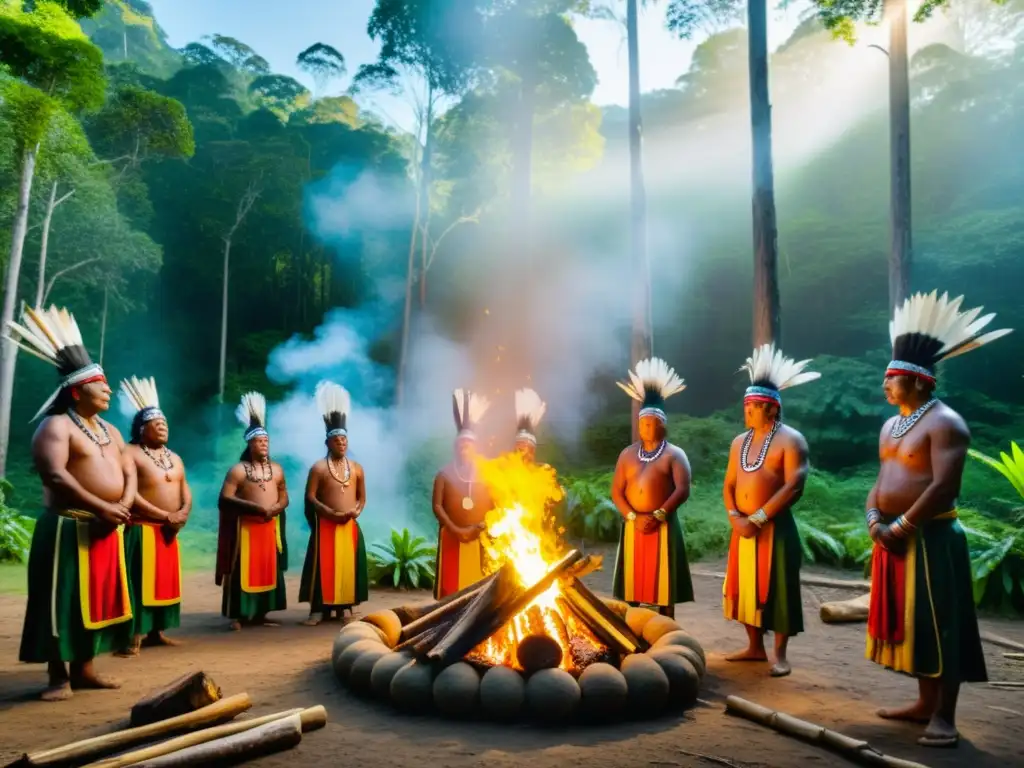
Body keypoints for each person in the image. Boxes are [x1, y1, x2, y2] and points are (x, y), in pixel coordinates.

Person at [866, 290, 1011, 748]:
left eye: (894, 379)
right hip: (893, 535)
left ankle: (944, 716)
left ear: (921, 382)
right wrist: (874, 518)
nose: (886, 386)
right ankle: (923, 704)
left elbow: (943, 487)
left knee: (940, 623)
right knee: (911, 624)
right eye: (886, 377)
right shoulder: (891, 426)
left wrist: (901, 527)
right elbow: (882, 477)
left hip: (931, 538)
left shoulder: (946, 423)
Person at [5, 306, 135, 701]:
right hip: (66, 528)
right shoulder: (56, 425)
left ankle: (85, 670)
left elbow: (129, 471)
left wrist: (123, 506)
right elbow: (55, 475)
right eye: (102, 384)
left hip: (106, 526)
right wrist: (102, 507)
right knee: (60, 601)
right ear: (78, 390)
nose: (109, 390)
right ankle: (58, 676)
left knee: (94, 602)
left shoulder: (111, 431)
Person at [722, 344, 819, 677]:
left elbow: (793, 486)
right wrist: (736, 517)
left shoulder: (792, 441)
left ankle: (780, 654)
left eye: (753, 406)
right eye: (746, 405)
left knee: (777, 588)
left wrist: (760, 517)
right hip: (743, 528)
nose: (746, 411)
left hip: (775, 529)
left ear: (772, 409)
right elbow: (729, 485)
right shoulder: (739, 442)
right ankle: (754, 647)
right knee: (745, 587)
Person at [611, 357, 693, 619]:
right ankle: (631, 626)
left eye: (650, 423)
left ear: (662, 424)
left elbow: (682, 490)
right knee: (633, 581)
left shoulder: (674, 454)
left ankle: (666, 627)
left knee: (664, 582)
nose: (645, 428)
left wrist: (658, 514)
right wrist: (633, 517)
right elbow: (617, 492)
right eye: (642, 423)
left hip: (663, 524)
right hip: (633, 524)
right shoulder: (627, 455)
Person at [116, 376, 191, 656]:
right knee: (139, 581)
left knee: (165, 582)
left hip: (169, 531)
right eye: (157, 424)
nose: (163, 427)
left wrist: (182, 513)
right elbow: (130, 493)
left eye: (165, 424)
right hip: (142, 528)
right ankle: (132, 634)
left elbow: (186, 490)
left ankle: (157, 632)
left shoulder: (175, 457)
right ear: (142, 428)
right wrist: (164, 515)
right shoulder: (131, 452)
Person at [216, 392, 288, 630]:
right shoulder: (238, 470)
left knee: (268, 569)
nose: (264, 444)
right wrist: (255, 507)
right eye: (259, 441)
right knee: (240, 571)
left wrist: (276, 507)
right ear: (249, 443)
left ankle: (261, 614)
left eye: (266, 440)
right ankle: (237, 614)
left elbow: (284, 494)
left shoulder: (276, 469)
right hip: (245, 529)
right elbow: (225, 497)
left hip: (269, 528)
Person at [299, 381, 368, 626]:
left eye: (344, 440)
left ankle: (344, 608)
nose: (342, 443)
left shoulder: (357, 468)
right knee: (321, 568)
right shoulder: (318, 467)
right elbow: (310, 497)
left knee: (348, 567)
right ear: (328, 442)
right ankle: (318, 609)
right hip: (325, 526)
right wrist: (328, 513)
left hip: (349, 524)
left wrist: (355, 512)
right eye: (337, 440)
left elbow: (362, 497)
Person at [432, 388, 492, 599]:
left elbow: (497, 507)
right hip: (451, 536)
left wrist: (480, 527)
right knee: (451, 589)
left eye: (469, 444)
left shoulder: (487, 475)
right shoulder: (444, 474)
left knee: (478, 589)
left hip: (478, 537)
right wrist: (456, 529)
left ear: (475, 447)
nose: (464, 448)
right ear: (455, 446)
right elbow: (437, 506)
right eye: (461, 444)